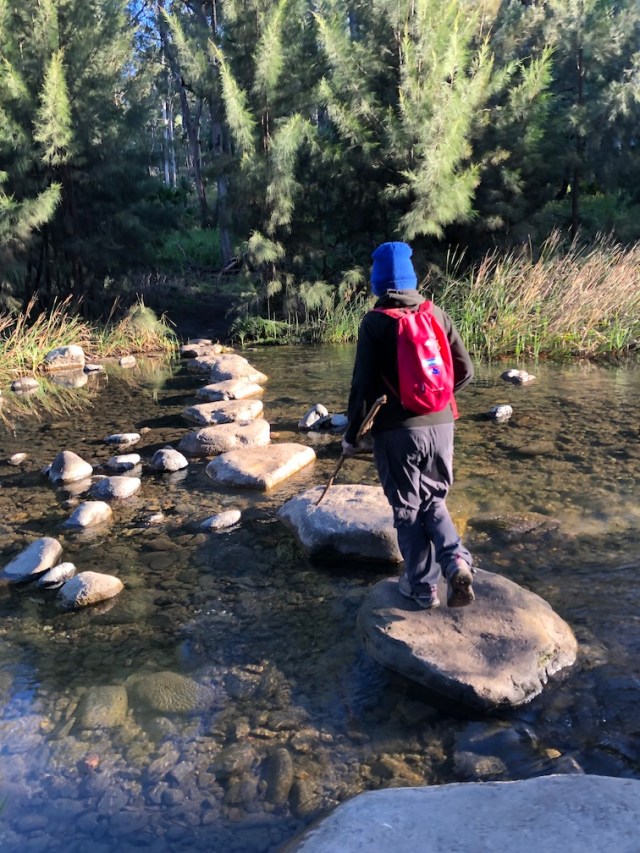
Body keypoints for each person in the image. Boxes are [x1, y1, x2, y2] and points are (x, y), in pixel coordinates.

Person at [342, 241, 475, 610]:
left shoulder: (375, 322)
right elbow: (465, 370)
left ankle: (421, 588)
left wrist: (352, 435)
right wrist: (436, 400)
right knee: (434, 499)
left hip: (398, 431)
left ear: (378, 281)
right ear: (411, 278)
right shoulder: (437, 314)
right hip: (443, 424)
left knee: (407, 508)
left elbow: (362, 386)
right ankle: (455, 560)